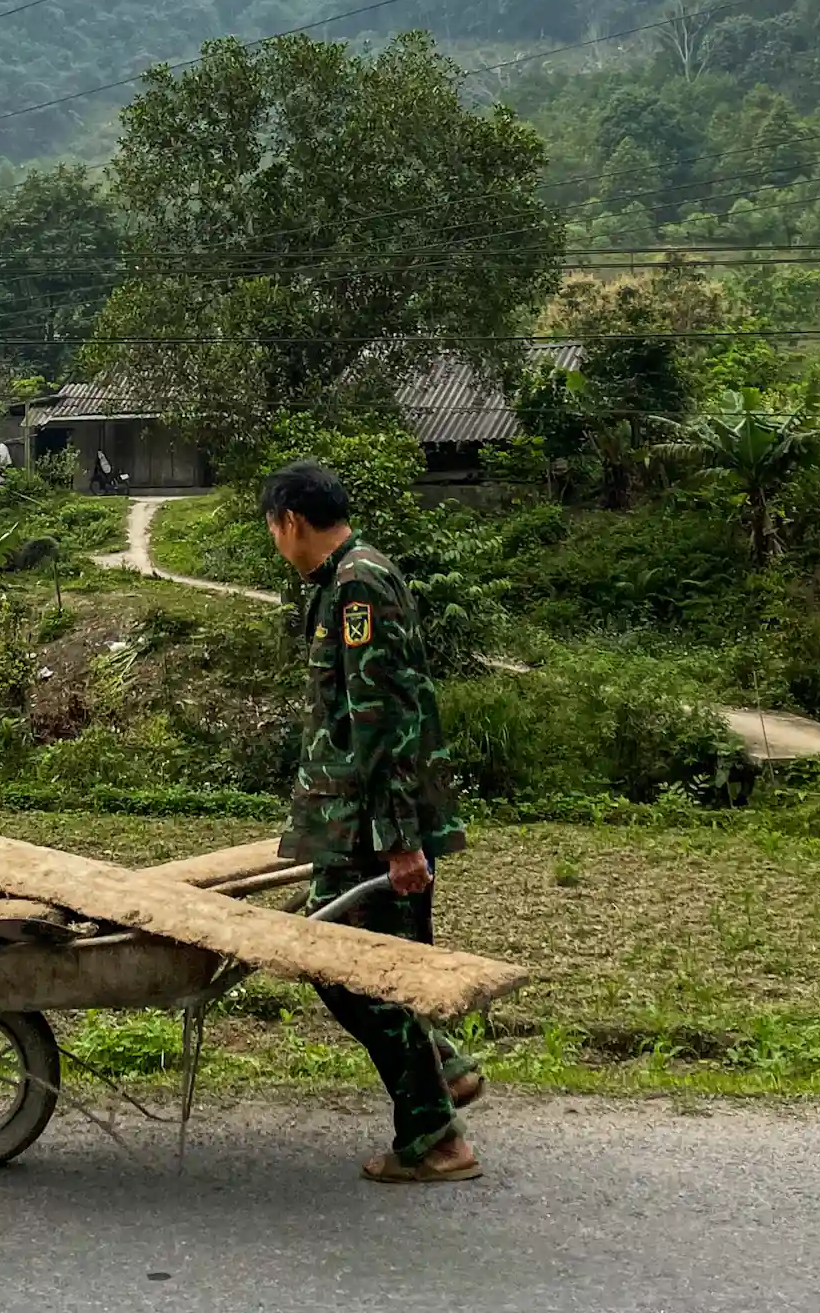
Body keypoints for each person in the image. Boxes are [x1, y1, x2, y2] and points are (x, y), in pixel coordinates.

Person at [263, 457, 483, 1184]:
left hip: (371, 833)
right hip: (351, 826)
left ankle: (434, 1138)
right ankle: (441, 1072)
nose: (276, 544)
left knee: (361, 975)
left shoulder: (357, 586)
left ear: (291, 521)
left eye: (273, 530)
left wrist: (399, 842)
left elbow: (381, 722)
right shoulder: (346, 581)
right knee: (354, 968)